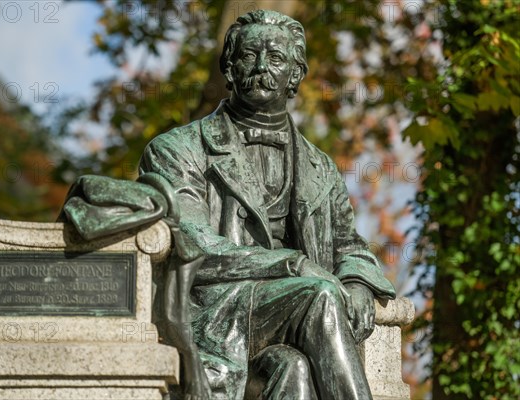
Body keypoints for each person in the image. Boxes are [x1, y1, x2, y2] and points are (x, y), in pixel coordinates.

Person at [139, 10, 396, 399]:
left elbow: (349, 245)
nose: (261, 67)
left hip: (282, 327)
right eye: (247, 56)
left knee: (292, 369)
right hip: (215, 309)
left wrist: (358, 281)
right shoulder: (177, 150)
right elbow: (195, 245)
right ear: (229, 67)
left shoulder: (320, 167)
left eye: (276, 58)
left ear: (295, 74)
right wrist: (292, 264)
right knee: (319, 296)